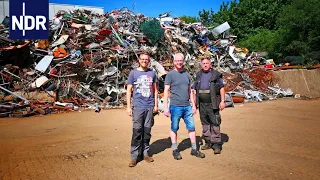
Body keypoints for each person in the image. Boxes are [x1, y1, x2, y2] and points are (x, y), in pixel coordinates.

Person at [163, 53, 205, 160]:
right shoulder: (170, 75)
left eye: (181, 60)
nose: (179, 62)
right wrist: (166, 107)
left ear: (183, 61)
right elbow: (166, 90)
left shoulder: (187, 74)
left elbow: (190, 91)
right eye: (177, 61)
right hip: (175, 106)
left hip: (187, 107)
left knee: (191, 128)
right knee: (174, 128)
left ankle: (194, 149)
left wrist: (193, 105)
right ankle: (175, 149)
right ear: (174, 62)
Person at [126, 52, 158, 167]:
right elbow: (129, 90)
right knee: (137, 131)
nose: (144, 61)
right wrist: (128, 107)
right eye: (142, 59)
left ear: (148, 61)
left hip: (149, 107)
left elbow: (155, 91)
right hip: (138, 107)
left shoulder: (152, 73)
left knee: (147, 131)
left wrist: (156, 105)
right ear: (139, 60)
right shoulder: (133, 73)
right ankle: (134, 156)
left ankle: (145, 153)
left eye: (146, 59)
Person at [192, 58, 226, 154]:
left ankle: (216, 144)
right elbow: (194, 89)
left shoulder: (216, 74)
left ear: (210, 64)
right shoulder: (198, 75)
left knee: (215, 123)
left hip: (213, 104)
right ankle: (208, 142)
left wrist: (222, 101)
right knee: (205, 124)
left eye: (207, 63)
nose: (205, 65)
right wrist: (194, 102)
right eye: (203, 63)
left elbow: (221, 88)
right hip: (202, 104)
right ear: (201, 65)